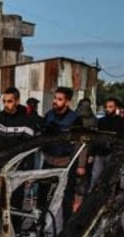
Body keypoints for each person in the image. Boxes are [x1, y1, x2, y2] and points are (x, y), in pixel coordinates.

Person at [41, 87, 83, 219]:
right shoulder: (48, 115)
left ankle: (66, 227)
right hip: (48, 161)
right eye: (55, 98)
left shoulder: (75, 118)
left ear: (67, 102)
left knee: (67, 198)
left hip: (66, 164)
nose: (55, 101)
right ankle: (39, 223)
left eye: (59, 99)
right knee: (42, 195)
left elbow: (80, 142)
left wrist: (81, 164)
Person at [93, 97, 124, 188]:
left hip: (113, 153)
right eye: (107, 107)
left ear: (116, 108)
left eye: (110, 107)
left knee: (110, 179)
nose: (107, 109)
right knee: (96, 177)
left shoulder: (121, 122)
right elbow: (97, 137)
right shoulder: (101, 121)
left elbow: (122, 138)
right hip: (100, 152)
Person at [0, 86, 39, 153]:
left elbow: (28, 148)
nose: (6, 104)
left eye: (9, 101)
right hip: (0, 161)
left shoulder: (26, 121)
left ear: (17, 101)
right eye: (4, 101)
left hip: (19, 162)